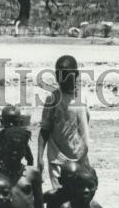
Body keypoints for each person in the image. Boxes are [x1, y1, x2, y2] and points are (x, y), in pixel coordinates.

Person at [38, 54, 91, 192]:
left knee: (80, 195)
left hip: (81, 157)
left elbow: (84, 126)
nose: (62, 79)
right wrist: (40, 158)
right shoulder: (53, 98)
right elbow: (44, 130)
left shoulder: (83, 97)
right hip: (58, 158)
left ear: (76, 74)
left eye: (66, 74)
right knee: (61, 195)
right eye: (58, 75)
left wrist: (84, 153)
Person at [0, 106, 32, 173]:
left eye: (15, 122)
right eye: (8, 121)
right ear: (2, 122)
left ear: (20, 122)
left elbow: (30, 159)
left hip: (12, 177)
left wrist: (28, 174)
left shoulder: (20, 139)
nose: (11, 124)